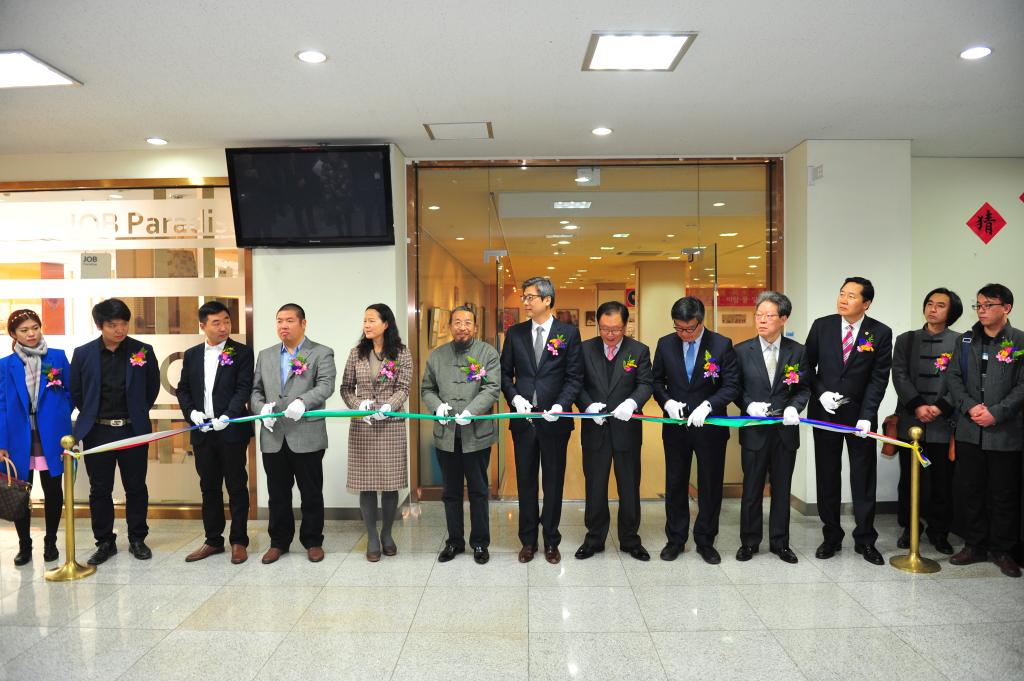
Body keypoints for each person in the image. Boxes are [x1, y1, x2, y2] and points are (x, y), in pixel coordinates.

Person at [804, 277, 892, 565]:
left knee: (863, 478)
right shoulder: (822, 326)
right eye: (842, 293)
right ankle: (831, 536)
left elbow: (878, 378)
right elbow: (807, 367)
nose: (843, 299)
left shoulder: (880, 332)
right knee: (827, 475)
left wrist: (867, 416)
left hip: (859, 418)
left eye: (851, 296)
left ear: (866, 303)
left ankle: (865, 539)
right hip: (825, 413)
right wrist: (821, 393)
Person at [69, 298, 160, 565]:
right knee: (100, 489)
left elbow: (152, 387)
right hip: (98, 431)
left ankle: (137, 538)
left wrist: (137, 412)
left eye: (123, 324)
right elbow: (77, 391)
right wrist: (91, 415)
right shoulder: (83, 354)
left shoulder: (142, 350)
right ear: (100, 326)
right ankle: (105, 542)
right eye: (112, 325)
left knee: (136, 487)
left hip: (132, 429)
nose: (119, 330)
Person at [500, 276, 583, 564]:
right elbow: (504, 374)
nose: (525, 302)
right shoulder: (515, 333)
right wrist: (515, 398)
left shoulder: (568, 334)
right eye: (524, 297)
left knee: (553, 482)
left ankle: (550, 540)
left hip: (555, 420)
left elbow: (574, 377)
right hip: (523, 421)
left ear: (547, 300)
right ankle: (528, 541)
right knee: (525, 482)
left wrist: (561, 404)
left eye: (530, 297)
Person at [652, 296, 740, 564]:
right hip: (676, 427)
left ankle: (706, 540)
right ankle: (675, 539)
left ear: (701, 322)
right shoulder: (665, 344)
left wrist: (709, 405)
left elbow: (731, 385)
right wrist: (667, 402)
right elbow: (656, 381)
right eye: (679, 328)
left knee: (710, 485)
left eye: (689, 329)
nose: (684, 334)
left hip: (710, 428)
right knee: (675, 483)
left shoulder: (722, 345)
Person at [946, 283, 1024, 578]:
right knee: (971, 490)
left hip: (1005, 431)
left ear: (1007, 308)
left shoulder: (1019, 341)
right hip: (970, 429)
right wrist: (970, 408)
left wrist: (997, 412)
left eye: (988, 305)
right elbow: (953, 378)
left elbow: (1022, 386)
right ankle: (974, 545)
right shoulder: (965, 340)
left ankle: (1002, 550)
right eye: (978, 305)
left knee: (1003, 493)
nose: (981, 310)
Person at [251, 303, 336, 564]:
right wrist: (261, 409)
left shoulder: (321, 352)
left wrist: (303, 401)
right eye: (279, 321)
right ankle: (279, 542)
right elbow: (255, 390)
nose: (283, 326)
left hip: (306, 434)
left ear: (303, 323)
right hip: (273, 436)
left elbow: (326, 385)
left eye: (289, 320)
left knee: (311, 492)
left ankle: (313, 541)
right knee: (277, 494)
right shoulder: (265, 355)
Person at [572, 301, 653, 561]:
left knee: (629, 486)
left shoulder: (639, 351)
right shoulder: (585, 349)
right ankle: (594, 538)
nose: (610, 334)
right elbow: (576, 383)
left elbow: (645, 384)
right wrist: (587, 406)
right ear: (598, 325)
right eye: (605, 329)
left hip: (626, 430)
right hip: (595, 430)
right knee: (595, 486)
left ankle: (630, 539)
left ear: (625, 326)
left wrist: (632, 403)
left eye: (616, 329)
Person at [733, 292, 810, 563]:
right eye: (758, 315)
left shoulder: (798, 351)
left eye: (769, 316)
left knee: (781, 490)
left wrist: (794, 408)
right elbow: (734, 388)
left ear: (784, 318)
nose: (762, 320)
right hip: (754, 431)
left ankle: (780, 543)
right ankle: (749, 542)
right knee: (751, 490)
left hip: (784, 434)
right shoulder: (741, 351)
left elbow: (803, 388)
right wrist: (748, 405)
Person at [176, 301, 255, 564]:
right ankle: (213, 540)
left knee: (236, 486)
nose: (223, 327)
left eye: (226, 321)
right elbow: (183, 389)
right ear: (203, 326)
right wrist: (192, 413)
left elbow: (243, 388)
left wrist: (228, 415)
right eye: (216, 323)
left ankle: (239, 541)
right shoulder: (192, 354)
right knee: (208, 487)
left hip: (231, 430)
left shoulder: (241, 352)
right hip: (203, 431)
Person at [421, 306, 500, 564]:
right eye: (457, 322)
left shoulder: (487, 353)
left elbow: (492, 388)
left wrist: (471, 411)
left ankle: (480, 543)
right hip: (446, 435)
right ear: (450, 326)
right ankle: (454, 541)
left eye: (467, 322)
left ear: (475, 327)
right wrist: (437, 407)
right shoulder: (436, 356)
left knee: (478, 490)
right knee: (451, 492)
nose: (462, 327)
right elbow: (427, 389)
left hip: (477, 435)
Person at [891, 287, 962, 555]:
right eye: (929, 303)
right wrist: (918, 405)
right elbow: (899, 375)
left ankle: (939, 531)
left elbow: (963, 380)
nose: (933, 309)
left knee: (942, 481)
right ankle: (909, 528)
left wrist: (940, 407)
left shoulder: (961, 342)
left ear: (951, 312)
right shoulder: (906, 340)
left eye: (940, 305)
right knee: (909, 480)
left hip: (944, 423)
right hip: (911, 420)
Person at [339, 303, 412, 562]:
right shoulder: (356, 353)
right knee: (366, 484)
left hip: (391, 426)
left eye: (372, 320)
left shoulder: (401, 353)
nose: (367, 325)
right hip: (363, 426)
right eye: (365, 321)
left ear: (386, 323)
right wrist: (359, 405)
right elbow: (346, 388)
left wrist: (389, 407)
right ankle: (371, 536)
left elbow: (403, 388)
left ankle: (387, 534)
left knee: (390, 484)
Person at [0, 310, 72, 566]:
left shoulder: (57, 357)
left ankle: (51, 541)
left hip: (51, 434)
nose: (31, 334)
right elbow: (2, 405)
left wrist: (60, 414)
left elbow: (71, 391)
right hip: (18, 436)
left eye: (35, 328)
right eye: (24, 330)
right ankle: (24, 545)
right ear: (13, 334)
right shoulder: (6, 364)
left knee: (53, 488)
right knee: (19, 490)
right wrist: (2, 443)